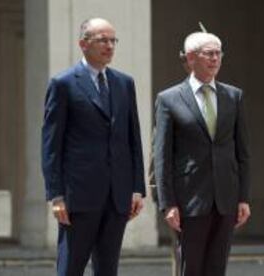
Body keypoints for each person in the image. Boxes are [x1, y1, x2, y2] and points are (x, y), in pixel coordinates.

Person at [41, 17, 145, 276]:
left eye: (113, 40)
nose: (109, 46)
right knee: (70, 268)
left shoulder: (124, 83)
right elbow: (51, 145)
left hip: (117, 196)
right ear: (83, 44)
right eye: (102, 40)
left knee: (108, 269)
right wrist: (56, 195)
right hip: (78, 196)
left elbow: (133, 138)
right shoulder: (63, 84)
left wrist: (136, 188)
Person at [154, 31, 251, 276]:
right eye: (209, 53)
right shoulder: (169, 99)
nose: (215, 59)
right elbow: (162, 156)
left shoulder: (233, 96)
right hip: (189, 201)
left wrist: (243, 198)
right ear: (190, 58)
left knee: (217, 268)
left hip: (226, 199)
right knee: (190, 268)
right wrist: (167, 203)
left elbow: (242, 152)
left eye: (219, 53)